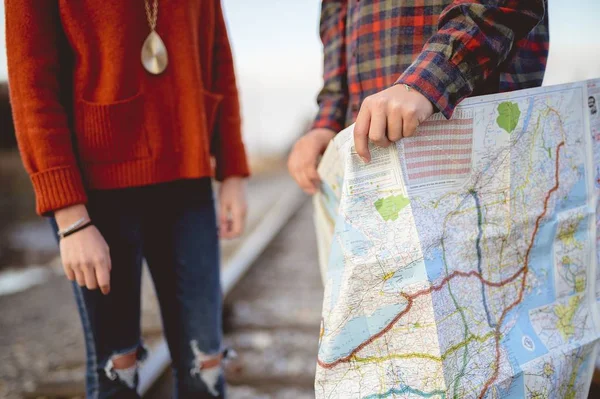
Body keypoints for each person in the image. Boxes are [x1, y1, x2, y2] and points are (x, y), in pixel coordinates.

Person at [5, 1, 249, 398]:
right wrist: (71, 218)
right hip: (98, 194)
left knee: (206, 365)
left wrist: (233, 172)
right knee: (117, 374)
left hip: (188, 177)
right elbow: (31, 80)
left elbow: (218, 51)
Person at [288, 0, 549, 193]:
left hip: (478, 153)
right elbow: (336, 21)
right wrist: (327, 122)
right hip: (364, 169)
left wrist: (428, 81)